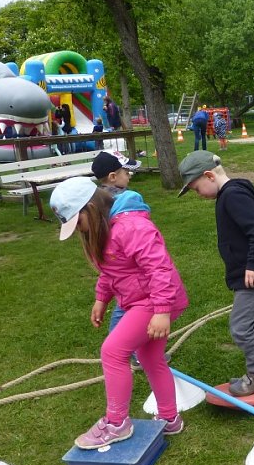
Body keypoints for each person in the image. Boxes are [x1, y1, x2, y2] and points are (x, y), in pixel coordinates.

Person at [49, 177, 188, 449]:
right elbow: (113, 269)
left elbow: (159, 267)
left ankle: (116, 423)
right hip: (144, 299)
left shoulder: (132, 227)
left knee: (112, 352)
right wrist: (101, 298)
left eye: (78, 222)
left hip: (156, 299)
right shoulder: (106, 228)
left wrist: (161, 310)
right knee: (149, 357)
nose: (78, 230)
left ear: (91, 208)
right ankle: (170, 418)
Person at [178, 151, 254, 396]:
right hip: (251, 274)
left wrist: (253, 265)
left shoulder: (234, 196)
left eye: (196, 188)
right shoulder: (231, 193)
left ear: (209, 176)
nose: (198, 194)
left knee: (241, 327)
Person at [91, 150, 143, 338]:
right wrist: (101, 297)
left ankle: (144, 352)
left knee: (120, 336)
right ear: (113, 177)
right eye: (126, 172)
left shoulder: (95, 205)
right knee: (119, 336)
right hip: (132, 282)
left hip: (127, 282)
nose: (129, 176)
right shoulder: (130, 201)